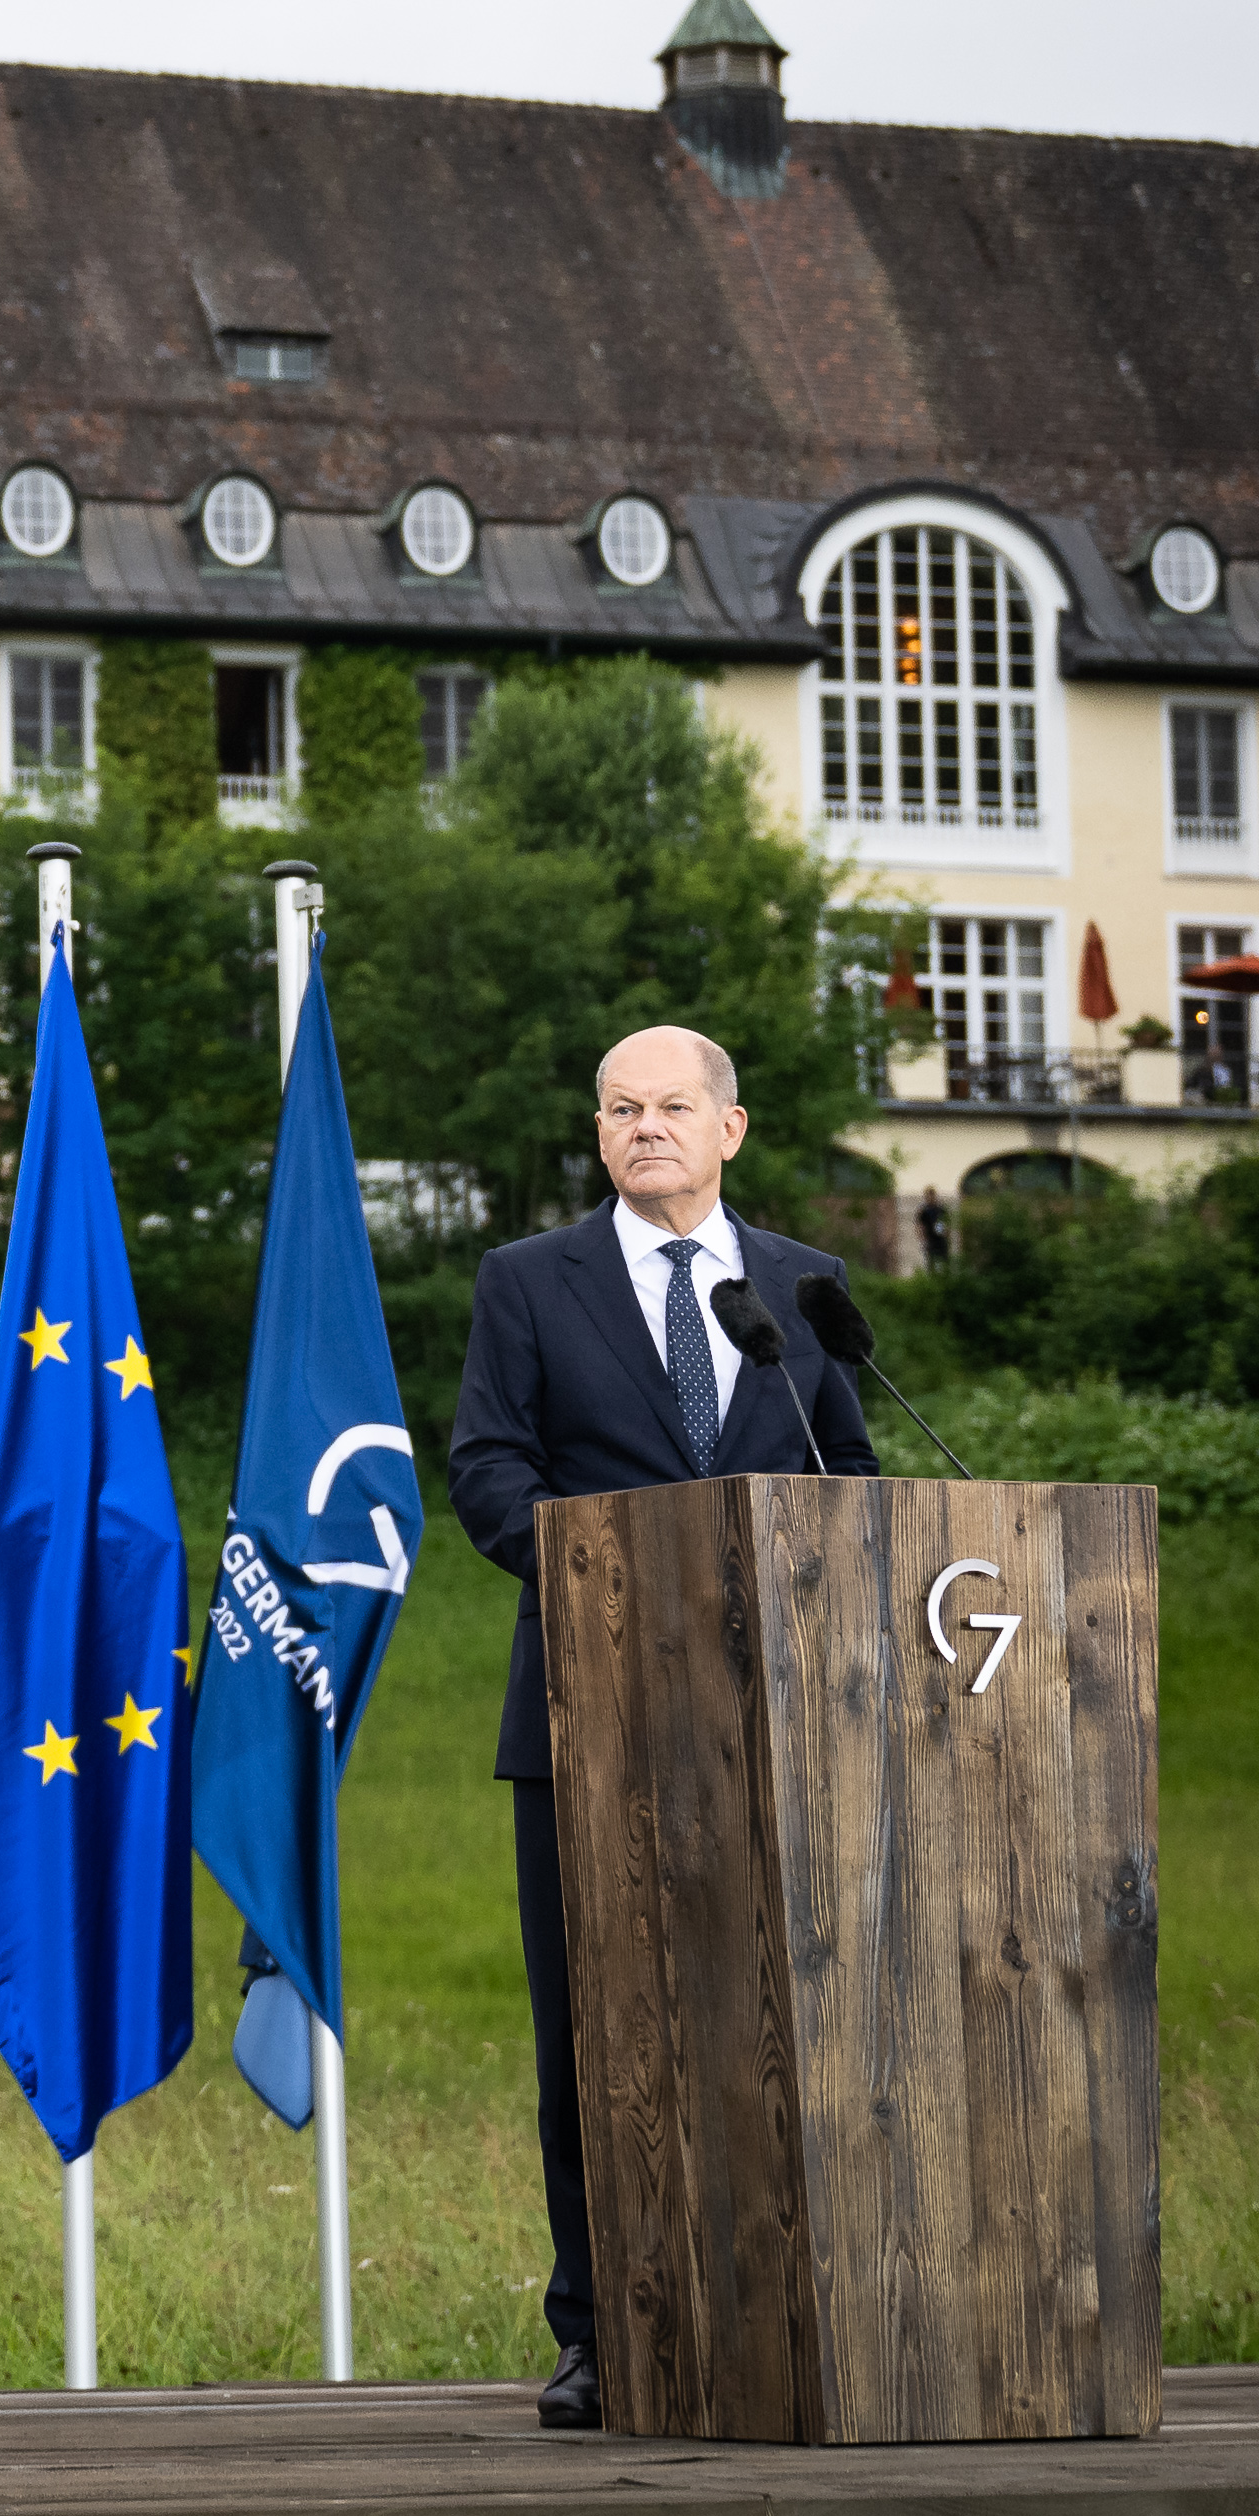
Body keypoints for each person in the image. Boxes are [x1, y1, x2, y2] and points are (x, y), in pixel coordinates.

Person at [445, 1024, 873, 2434]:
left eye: (673, 1107)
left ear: (730, 1128)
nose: (646, 1130)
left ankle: (804, 2312)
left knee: (785, 2019)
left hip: (786, 1722)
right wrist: (606, 1582)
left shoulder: (804, 1287)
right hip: (587, 1711)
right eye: (621, 1110)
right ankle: (599, 2335)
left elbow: (845, 1476)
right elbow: (489, 1465)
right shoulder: (527, 1283)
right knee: (599, 2033)